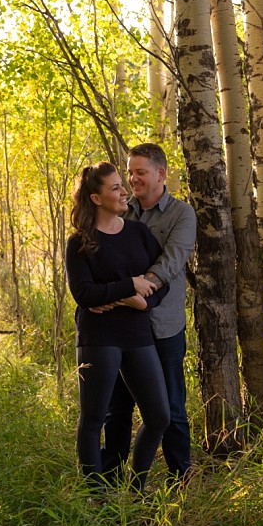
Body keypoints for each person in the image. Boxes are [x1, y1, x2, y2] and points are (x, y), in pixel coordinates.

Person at [65, 161, 171, 495]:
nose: (124, 191)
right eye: (115, 188)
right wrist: (129, 286)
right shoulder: (80, 242)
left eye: (121, 185)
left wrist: (144, 301)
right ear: (96, 198)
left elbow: (160, 283)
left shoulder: (138, 233)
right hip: (99, 337)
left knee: (159, 416)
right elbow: (84, 294)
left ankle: (136, 489)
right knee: (94, 419)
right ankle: (96, 495)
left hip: (137, 334)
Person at [99, 143, 197, 485]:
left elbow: (171, 261)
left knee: (171, 407)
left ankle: (180, 478)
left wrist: (138, 290)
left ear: (160, 173)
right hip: (122, 327)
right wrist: (119, 293)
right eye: (129, 172)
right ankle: (109, 480)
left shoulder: (181, 214)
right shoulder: (120, 211)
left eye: (139, 172)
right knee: (117, 408)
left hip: (162, 327)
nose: (132, 179)